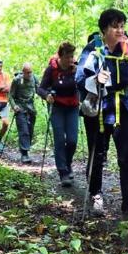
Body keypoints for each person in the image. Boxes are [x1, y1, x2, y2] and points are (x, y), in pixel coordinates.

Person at [77, 9, 128, 218]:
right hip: (99, 108)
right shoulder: (93, 50)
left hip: (124, 108)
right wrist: (95, 79)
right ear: (104, 29)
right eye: (115, 26)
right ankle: (95, 195)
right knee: (97, 154)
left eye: (121, 25)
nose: (120, 30)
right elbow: (80, 78)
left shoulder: (127, 48)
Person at [37, 42, 80, 187]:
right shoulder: (52, 70)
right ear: (60, 56)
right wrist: (47, 95)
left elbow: (85, 84)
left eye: (72, 56)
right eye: (68, 57)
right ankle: (63, 172)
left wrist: (78, 73)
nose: (70, 60)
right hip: (57, 108)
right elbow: (40, 89)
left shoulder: (76, 68)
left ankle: (68, 164)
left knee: (73, 140)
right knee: (60, 139)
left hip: (73, 107)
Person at [9, 63, 39, 163]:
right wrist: (14, 106)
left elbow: (39, 90)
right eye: (27, 72)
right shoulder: (17, 80)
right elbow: (10, 95)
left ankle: (25, 149)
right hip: (20, 107)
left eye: (31, 72)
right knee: (23, 130)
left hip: (31, 107)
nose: (29, 74)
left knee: (30, 130)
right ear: (23, 72)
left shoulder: (34, 78)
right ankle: (24, 154)